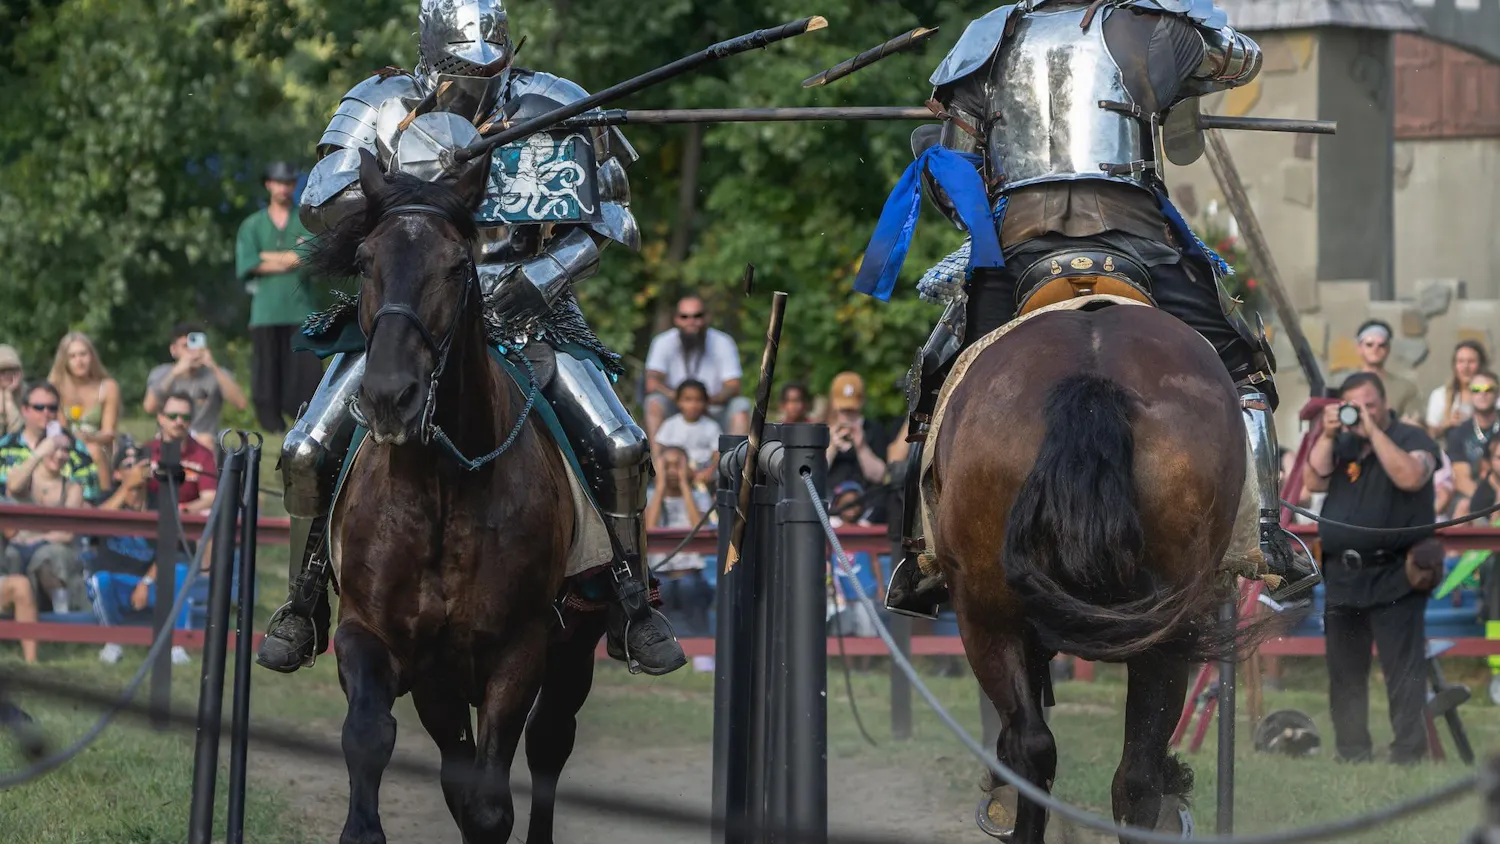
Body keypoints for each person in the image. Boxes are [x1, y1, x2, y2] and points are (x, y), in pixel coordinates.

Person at [259, 0, 685, 677]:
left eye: (490, 64)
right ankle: (306, 595)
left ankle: (631, 598)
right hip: (413, 309)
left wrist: (544, 272)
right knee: (308, 447)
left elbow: (609, 212)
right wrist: (404, 179)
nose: (478, 80)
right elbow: (319, 202)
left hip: (527, 308)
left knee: (622, 444)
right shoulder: (385, 102)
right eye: (462, 67)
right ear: (431, 53)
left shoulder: (552, 102)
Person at [859, 0, 1311, 617]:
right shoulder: (1149, 29)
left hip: (1020, 243)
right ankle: (1265, 534)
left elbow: (951, 179)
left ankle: (922, 555)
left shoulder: (987, 38)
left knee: (939, 379)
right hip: (1133, 235)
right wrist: (1192, 29)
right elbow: (1240, 62)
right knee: (1243, 368)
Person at [1303, 372, 1440, 764]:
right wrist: (1328, 435)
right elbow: (1314, 479)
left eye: (1369, 404)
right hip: (1344, 576)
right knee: (1345, 672)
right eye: (1352, 406)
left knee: (1403, 671)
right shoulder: (1342, 441)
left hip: (1396, 573)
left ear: (1383, 403)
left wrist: (1373, 431)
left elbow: (1411, 477)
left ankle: (1408, 753)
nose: (1361, 413)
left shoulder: (1412, 438)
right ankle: (1352, 752)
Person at [235, 161, 324, 433]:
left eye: (289, 182)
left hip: (300, 310)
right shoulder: (252, 225)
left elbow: (311, 256)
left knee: (307, 374)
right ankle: (271, 426)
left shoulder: (306, 219)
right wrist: (290, 258)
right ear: (268, 184)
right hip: (266, 312)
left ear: (294, 185)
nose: (284, 188)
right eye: (279, 182)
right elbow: (247, 263)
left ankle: (305, 423)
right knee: (266, 374)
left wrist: (266, 257)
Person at [4, 427, 89, 614]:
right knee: (10, 555)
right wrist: (39, 452)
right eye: (55, 448)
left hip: (55, 547)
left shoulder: (73, 488)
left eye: (65, 450)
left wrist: (36, 539)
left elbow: (67, 533)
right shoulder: (25, 479)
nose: (59, 455)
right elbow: (13, 486)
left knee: (48, 556)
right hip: (18, 546)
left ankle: (63, 616)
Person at [643, 295, 752, 438]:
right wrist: (684, 400)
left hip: (714, 407)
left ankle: (735, 458)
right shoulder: (663, 341)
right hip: (677, 407)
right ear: (676, 319)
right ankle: (657, 459)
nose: (691, 322)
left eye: (697, 316)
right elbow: (652, 382)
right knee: (653, 402)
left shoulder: (723, 342)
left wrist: (704, 401)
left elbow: (734, 385)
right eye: (685, 317)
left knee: (741, 405)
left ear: (706, 317)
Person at [144, 324, 248, 452]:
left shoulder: (217, 374)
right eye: (185, 346)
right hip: (170, 434)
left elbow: (241, 404)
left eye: (195, 345)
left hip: (204, 437)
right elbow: (149, 407)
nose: (191, 351)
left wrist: (213, 366)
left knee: (205, 441)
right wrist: (175, 373)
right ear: (173, 350)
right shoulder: (162, 373)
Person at [645, 446, 714, 640]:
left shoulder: (699, 497)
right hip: (659, 575)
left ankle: (702, 650)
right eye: (667, 466)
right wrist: (660, 487)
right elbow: (649, 527)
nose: (673, 471)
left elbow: (698, 528)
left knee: (688, 587)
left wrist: (685, 485)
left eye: (678, 466)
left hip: (691, 573)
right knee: (660, 591)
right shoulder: (649, 497)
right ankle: (662, 647)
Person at [0, 382, 100, 506]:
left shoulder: (76, 450)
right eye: (39, 407)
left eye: (52, 408)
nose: (46, 412)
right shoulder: (3, 448)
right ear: (24, 410)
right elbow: (13, 488)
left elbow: (90, 500)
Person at [48, 331, 121, 493]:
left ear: (92, 357)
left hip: (98, 444)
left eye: (83, 354)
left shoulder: (108, 387)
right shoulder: (55, 387)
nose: (79, 361)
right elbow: (60, 427)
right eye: (72, 356)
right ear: (65, 361)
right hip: (63, 444)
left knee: (93, 449)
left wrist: (89, 438)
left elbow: (109, 432)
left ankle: (105, 497)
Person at [1331, 321, 1422, 424]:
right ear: (1359, 348)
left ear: (1388, 349)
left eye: (1381, 345)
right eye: (1369, 345)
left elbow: (1415, 422)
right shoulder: (1342, 384)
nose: (1375, 349)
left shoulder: (1405, 387)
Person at [825, 371, 888, 492]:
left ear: (862, 402)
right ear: (833, 404)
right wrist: (832, 446)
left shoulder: (874, 429)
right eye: (843, 410)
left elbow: (879, 476)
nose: (848, 416)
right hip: (831, 504)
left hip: (866, 501)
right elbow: (813, 475)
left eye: (852, 410)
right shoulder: (823, 432)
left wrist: (861, 447)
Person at [653, 379, 721, 486]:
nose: (693, 405)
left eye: (698, 400)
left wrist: (709, 471)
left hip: (703, 475)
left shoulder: (711, 426)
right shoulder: (670, 424)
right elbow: (659, 448)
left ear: (706, 403)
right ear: (678, 402)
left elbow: (717, 453)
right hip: (676, 473)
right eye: (688, 400)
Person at [1445, 370, 1499, 504]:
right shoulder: (1458, 433)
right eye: (1476, 389)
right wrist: (1488, 504)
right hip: (1475, 500)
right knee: (1462, 507)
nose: (1482, 394)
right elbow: (1462, 480)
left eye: (1489, 389)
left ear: (1498, 393)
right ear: (1469, 395)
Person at [1426, 340, 1489, 439]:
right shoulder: (1440, 395)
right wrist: (1447, 424)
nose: (1465, 367)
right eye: (1460, 361)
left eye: (1471, 361)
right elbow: (1431, 434)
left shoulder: (1493, 395)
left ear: (1481, 365)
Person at [0, 345, 23, 436]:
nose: (8, 375)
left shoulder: (27, 394)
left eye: (12, 370)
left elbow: (19, 433)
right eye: (2, 371)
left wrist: (9, 400)